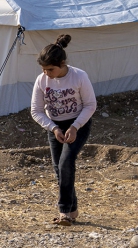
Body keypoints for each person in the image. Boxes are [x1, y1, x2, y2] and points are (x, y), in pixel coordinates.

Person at [30, 34, 96, 227]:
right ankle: (73, 209)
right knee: (59, 169)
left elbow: (90, 105)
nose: (47, 73)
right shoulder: (41, 80)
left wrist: (75, 127)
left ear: (62, 63)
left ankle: (64, 212)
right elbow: (36, 110)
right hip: (55, 127)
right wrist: (53, 128)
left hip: (79, 124)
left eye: (50, 69)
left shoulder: (79, 76)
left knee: (66, 162)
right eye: (43, 69)